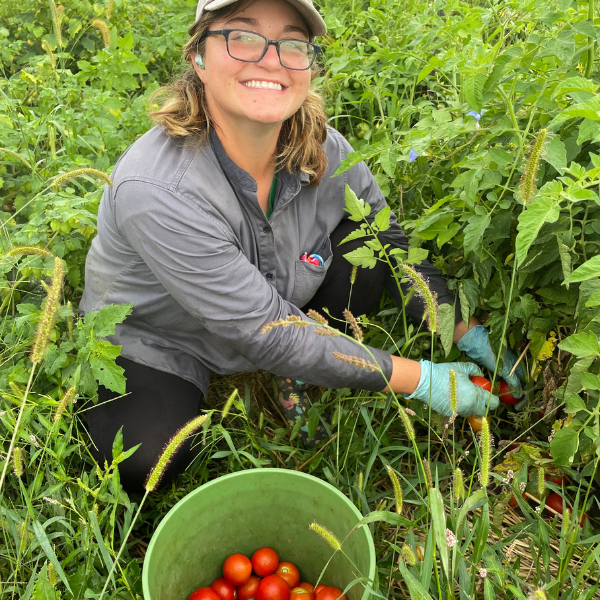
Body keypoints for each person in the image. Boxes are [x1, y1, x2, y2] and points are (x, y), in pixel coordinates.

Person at [80, 0, 523, 493]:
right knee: (145, 456)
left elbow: (391, 243)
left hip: (280, 301)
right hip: (163, 339)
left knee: (368, 252)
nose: (270, 59)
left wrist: (462, 329)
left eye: (292, 43)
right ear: (198, 57)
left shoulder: (326, 148)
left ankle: (296, 374)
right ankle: (267, 372)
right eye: (242, 36)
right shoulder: (158, 189)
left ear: (309, 66)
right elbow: (266, 331)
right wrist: (422, 378)